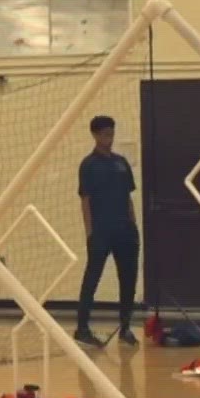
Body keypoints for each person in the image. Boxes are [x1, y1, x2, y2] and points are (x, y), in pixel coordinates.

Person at [74, 114, 140, 348]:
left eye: (111, 134)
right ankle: (82, 328)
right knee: (92, 278)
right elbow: (85, 199)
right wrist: (89, 232)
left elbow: (128, 197)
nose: (109, 138)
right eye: (104, 134)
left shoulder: (121, 163)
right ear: (95, 135)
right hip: (101, 231)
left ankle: (125, 327)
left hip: (125, 230)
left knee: (128, 279)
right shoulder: (88, 165)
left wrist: (133, 225)